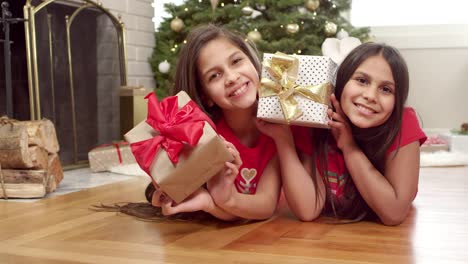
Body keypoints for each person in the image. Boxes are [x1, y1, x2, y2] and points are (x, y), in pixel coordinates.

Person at [262, 42, 427, 225]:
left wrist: (349, 147)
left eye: (386, 89)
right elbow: (308, 210)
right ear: (341, 82)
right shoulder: (315, 119)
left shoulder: (403, 123)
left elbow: (394, 213)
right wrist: (283, 139)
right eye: (362, 80)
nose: (371, 95)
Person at [145, 24, 282, 221]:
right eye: (214, 76)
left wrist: (225, 200)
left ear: (252, 62)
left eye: (236, 61)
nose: (232, 77)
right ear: (206, 95)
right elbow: (233, 210)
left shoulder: (278, 128)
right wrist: (210, 202)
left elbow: (265, 205)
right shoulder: (204, 139)